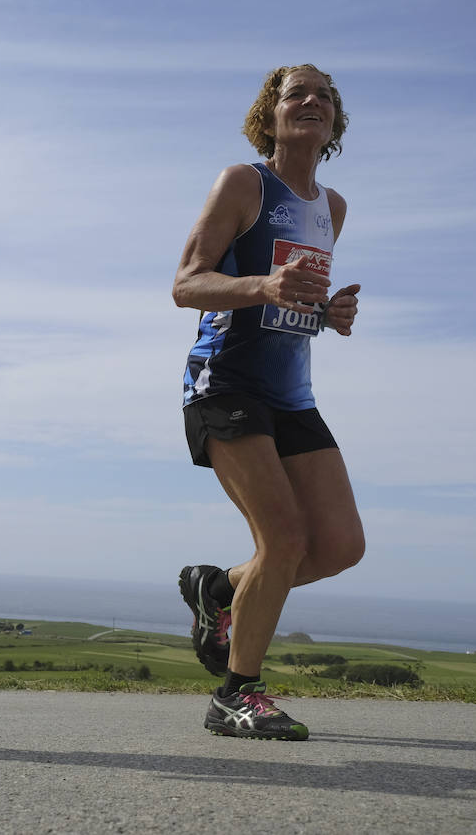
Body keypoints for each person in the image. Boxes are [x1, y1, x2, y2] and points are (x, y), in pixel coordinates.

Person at [172, 64, 364, 741]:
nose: (312, 101)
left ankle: (220, 588)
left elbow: (292, 304)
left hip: (292, 395)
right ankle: (236, 694)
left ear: (334, 121)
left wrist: (325, 313)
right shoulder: (244, 183)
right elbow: (187, 285)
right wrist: (264, 285)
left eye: (325, 96)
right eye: (296, 94)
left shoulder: (331, 207)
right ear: (271, 113)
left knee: (339, 545)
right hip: (224, 382)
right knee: (282, 539)